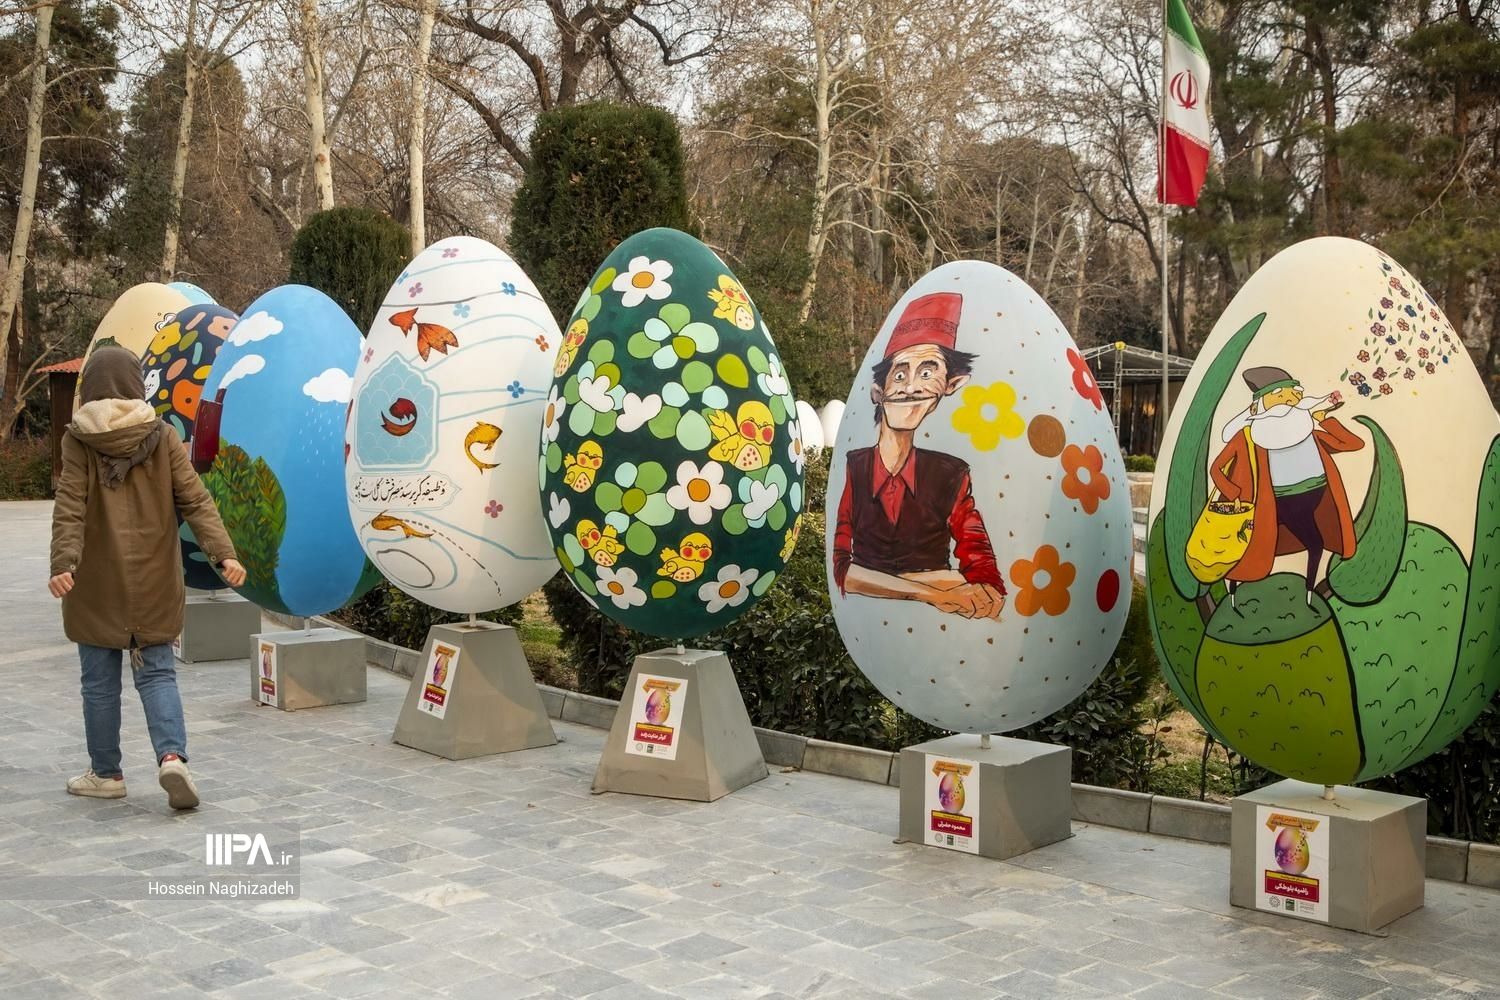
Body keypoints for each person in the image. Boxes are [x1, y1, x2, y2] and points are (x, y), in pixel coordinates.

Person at [49, 344, 246, 809]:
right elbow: (196, 500)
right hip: (156, 579)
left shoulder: (78, 438)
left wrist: (63, 563)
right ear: (137, 385)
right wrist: (224, 555)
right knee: (157, 674)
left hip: (96, 583)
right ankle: (173, 758)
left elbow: (70, 504)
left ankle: (107, 773)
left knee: (98, 682)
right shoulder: (161, 435)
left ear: (90, 388)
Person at [832, 292, 1006, 620]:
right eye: (899, 375)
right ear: (878, 392)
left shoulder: (950, 474)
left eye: (927, 374)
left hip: (936, 630)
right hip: (878, 626)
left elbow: (978, 559)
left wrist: (984, 591)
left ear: (950, 386)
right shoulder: (855, 467)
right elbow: (842, 571)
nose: (910, 387)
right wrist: (931, 591)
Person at [1211, 365, 1363, 598]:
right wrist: (1235, 495)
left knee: (1314, 545)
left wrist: (1324, 418)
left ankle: (1309, 594)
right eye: (1278, 395)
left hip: (1313, 498)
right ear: (1261, 403)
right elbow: (1216, 468)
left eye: (1290, 395)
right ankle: (1233, 594)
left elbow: (1353, 443)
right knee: (1251, 548)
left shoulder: (1304, 428)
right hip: (1274, 502)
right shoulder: (1250, 436)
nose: (1286, 401)